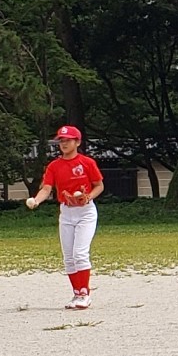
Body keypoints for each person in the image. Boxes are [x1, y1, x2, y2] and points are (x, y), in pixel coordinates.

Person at [25, 125, 104, 309]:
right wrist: (36, 200)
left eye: (68, 140)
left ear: (77, 142)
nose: (64, 143)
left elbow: (99, 185)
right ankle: (76, 293)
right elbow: (46, 188)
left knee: (80, 253)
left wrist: (88, 197)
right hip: (67, 212)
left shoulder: (87, 163)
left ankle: (85, 293)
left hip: (85, 212)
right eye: (61, 140)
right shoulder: (54, 166)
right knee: (68, 256)